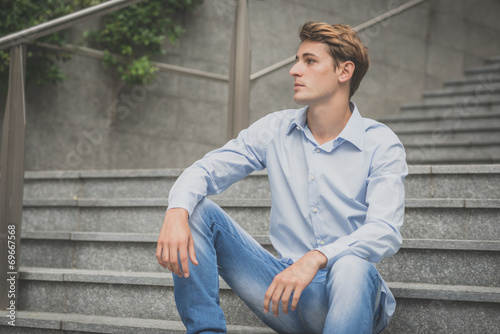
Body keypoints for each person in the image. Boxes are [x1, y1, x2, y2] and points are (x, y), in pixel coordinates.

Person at [156, 21, 408, 334]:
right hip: (282, 293)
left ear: (344, 71)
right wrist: (176, 211)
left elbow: (384, 229)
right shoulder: (275, 129)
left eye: (310, 61)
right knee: (194, 210)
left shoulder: (380, 143)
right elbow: (205, 170)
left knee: (353, 266)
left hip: (346, 297)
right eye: (297, 59)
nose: (294, 70)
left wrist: (317, 258)